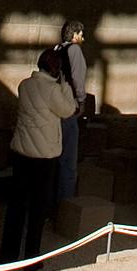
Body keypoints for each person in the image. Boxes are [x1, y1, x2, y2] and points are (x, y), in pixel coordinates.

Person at [0, 48, 76, 263]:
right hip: (44, 156)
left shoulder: (25, 85)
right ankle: (31, 257)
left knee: (16, 205)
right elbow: (68, 110)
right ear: (56, 69)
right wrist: (65, 86)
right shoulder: (53, 90)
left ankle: (7, 255)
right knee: (37, 208)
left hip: (22, 151)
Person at [53, 19, 86, 206]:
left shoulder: (57, 49)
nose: (83, 38)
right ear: (74, 35)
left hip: (54, 107)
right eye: (81, 34)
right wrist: (81, 102)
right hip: (68, 107)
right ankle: (65, 205)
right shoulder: (75, 51)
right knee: (68, 162)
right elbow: (78, 79)